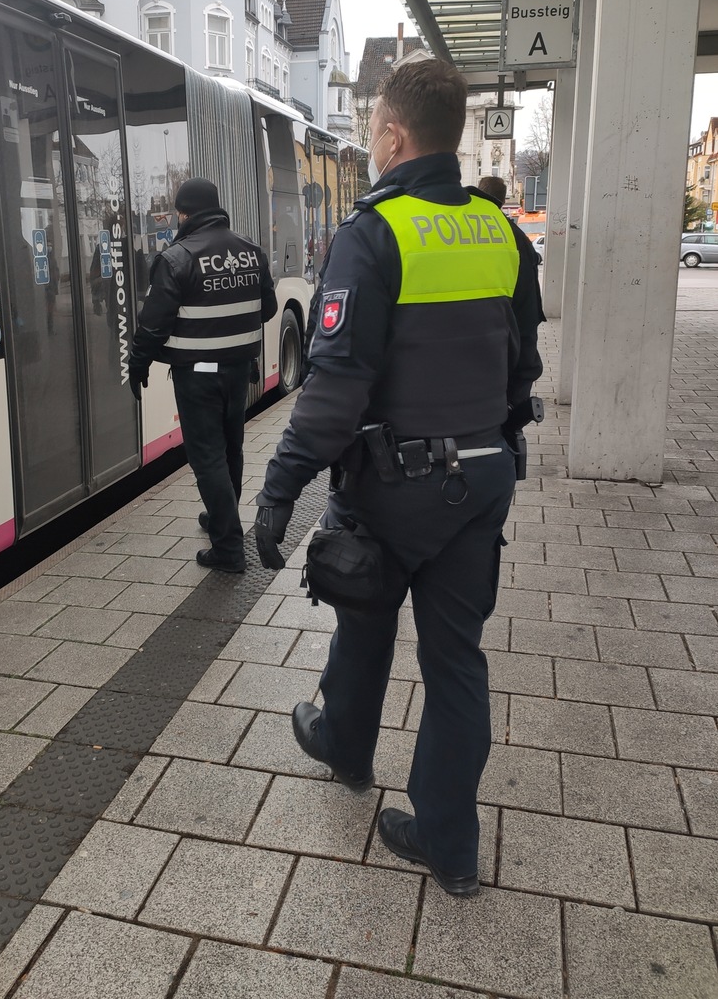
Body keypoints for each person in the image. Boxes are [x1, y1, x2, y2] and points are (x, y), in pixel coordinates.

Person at [253, 59, 543, 897]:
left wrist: (279, 492)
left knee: (365, 617)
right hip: (482, 478)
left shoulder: (373, 234)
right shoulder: (502, 235)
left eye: (376, 125)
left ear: (394, 133)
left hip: (391, 485)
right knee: (456, 662)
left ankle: (347, 746)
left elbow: (336, 390)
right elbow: (523, 365)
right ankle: (450, 846)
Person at [129, 177, 277, 572]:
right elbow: (266, 310)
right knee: (231, 449)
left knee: (207, 457)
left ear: (183, 212)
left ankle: (228, 549)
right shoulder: (250, 252)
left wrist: (138, 364)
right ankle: (220, 518)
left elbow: (153, 324)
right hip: (240, 370)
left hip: (197, 378)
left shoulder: (176, 258)